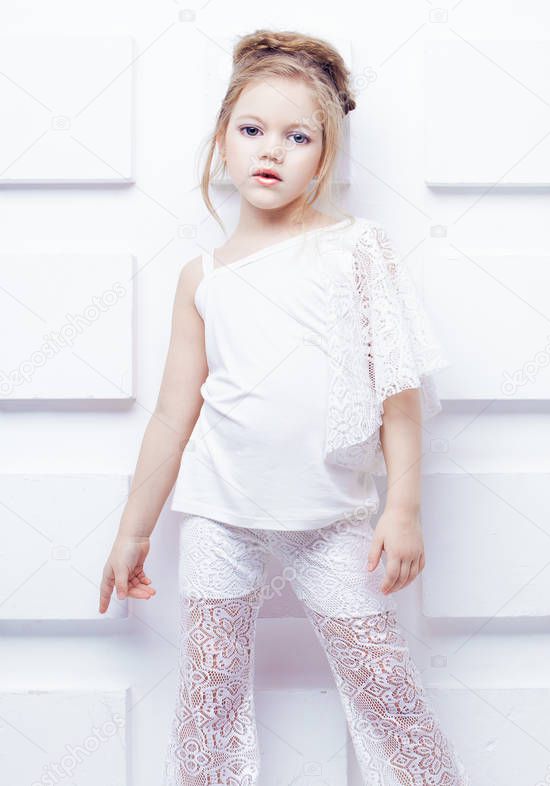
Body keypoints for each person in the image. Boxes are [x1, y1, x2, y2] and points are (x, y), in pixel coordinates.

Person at [96, 28, 467, 785]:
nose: (272, 150)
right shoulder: (202, 276)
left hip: (331, 516)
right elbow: (174, 416)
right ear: (223, 141)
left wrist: (401, 509)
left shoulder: (355, 250)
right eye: (253, 129)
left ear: (325, 154)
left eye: (298, 136)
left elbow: (396, 392)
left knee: (384, 686)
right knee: (209, 692)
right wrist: (131, 533)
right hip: (219, 512)